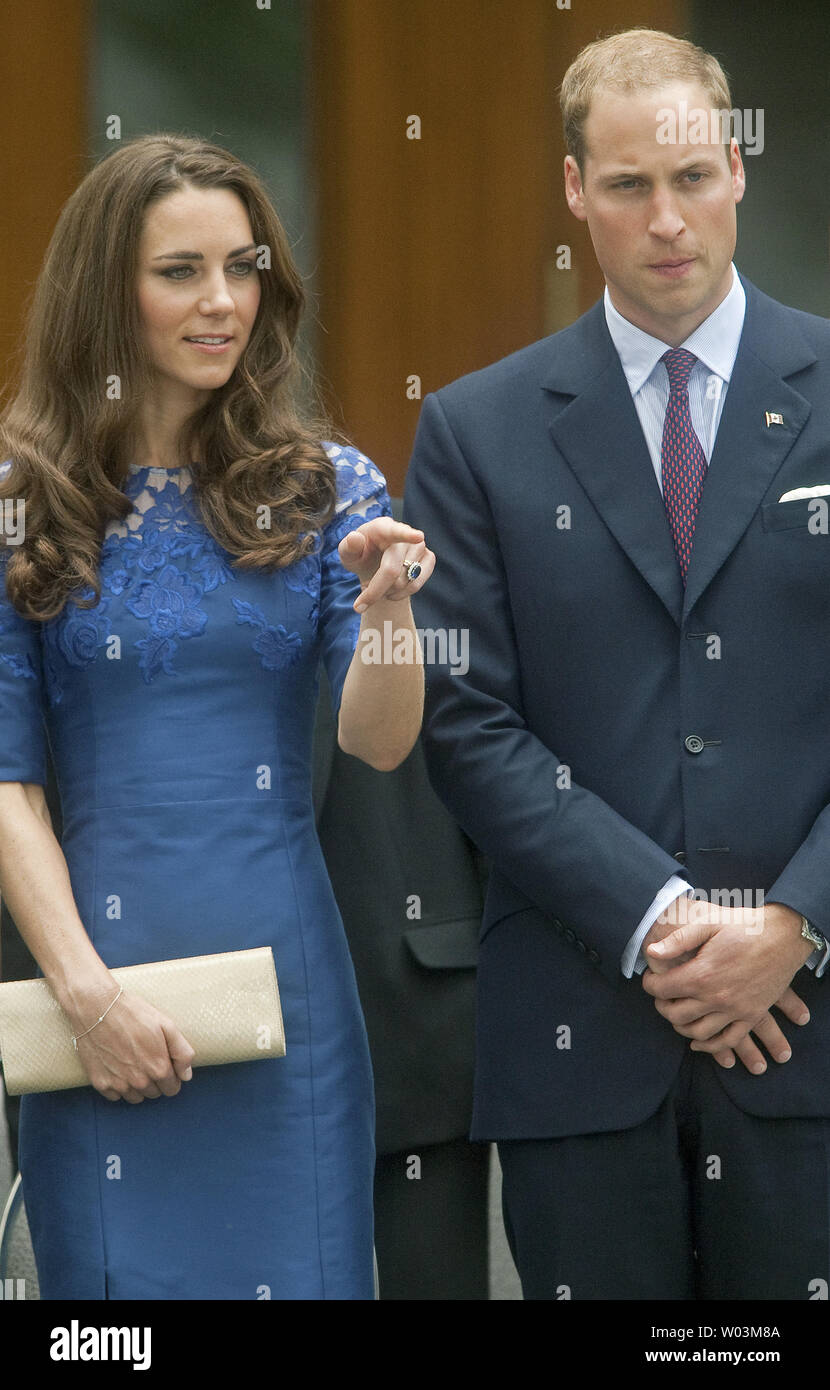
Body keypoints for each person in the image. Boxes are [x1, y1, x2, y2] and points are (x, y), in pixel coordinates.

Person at [403, 27, 830, 1300]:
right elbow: (465, 718)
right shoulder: (474, 430)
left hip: (811, 1036)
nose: (667, 220)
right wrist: (661, 922)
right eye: (630, 185)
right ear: (576, 191)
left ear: (737, 172)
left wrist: (792, 921)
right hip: (578, 1041)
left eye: (692, 179)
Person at [0, 133, 433, 1300]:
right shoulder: (19, 502)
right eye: (179, 271)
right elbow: (6, 786)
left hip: (284, 1000)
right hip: (88, 993)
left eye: (242, 267)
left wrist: (389, 614)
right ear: (106, 292)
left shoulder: (327, 484)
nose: (222, 302)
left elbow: (380, 740)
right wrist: (89, 1003)